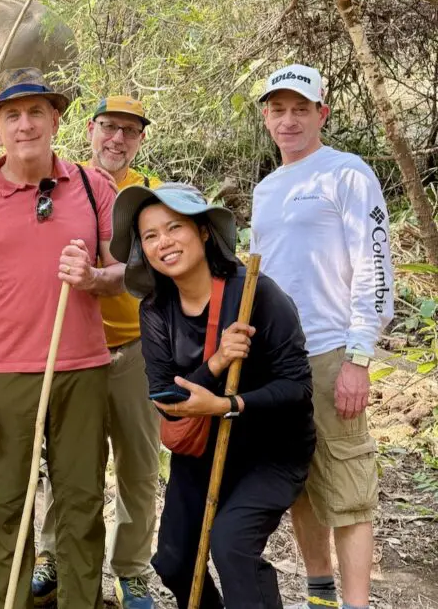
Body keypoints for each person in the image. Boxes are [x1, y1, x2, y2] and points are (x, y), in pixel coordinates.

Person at [0, 68, 125, 609]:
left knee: (82, 503)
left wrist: (93, 278)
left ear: (56, 120)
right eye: (12, 115)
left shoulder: (93, 188)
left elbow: (125, 272)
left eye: (36, 113)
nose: (25, 125)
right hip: (2, 376)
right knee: (5, 507)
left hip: (83, 370)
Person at [111, 182, 315, 608]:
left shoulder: (255, 293)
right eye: (150, 236)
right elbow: (166, 398)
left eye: (175, 228)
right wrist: (218, 363)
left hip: (271, 449)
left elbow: (297, 387)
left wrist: (228, 405)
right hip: (202, 446)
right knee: (174, 561)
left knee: (231, 545)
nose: (164, 242)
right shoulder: (156, 309)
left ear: (203, 231)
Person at [251, 64, 393, 609]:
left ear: (322, 114)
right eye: (278, 110)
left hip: (332, 352)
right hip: (277, 359)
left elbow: (375, 266)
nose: (288, 120)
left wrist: (359, 356)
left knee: (349, 489)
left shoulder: (347, 173)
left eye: (300, 109)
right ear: (267, 118)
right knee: (301, 483)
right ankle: (320, 595)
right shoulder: (267, 189)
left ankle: (356, 605)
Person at [32, 96, 162, 608]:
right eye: (109, 127)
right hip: (71, 348)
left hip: (136, 348)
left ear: (141, 139)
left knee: (139, 466)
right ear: (90, 129)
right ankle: (52, 555)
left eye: (130, 131)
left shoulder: (152, 197)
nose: (117, 139)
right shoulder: (62, 185)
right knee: (67, 462)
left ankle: (131, 570)